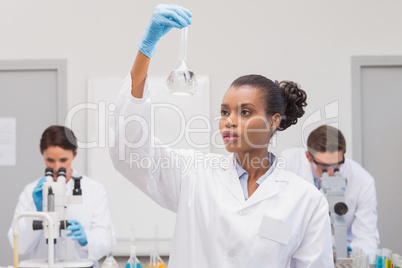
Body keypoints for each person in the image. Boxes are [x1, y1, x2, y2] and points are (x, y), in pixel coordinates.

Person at [109, 4, 334, 267]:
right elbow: (130, 152)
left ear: (274, 121)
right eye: (225, 111)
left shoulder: (305, 200)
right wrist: (146, 50)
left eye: (245, 112)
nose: (229, 122)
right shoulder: (193, 174)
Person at [8, 125, 115, 268]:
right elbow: (19, 246)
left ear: (74, 154)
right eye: (50, 161)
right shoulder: (31, 192)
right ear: (43, 155)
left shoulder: (94, 190)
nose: (57, 168)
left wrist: (86, 239)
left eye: (63, 160)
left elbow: (107, 241)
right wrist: (38, 212)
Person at [281, 125, 379, 262]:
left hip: (341, 254)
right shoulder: (289, 163)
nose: (331, 172)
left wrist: (350, 260)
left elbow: (366, 238)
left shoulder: (362, 180)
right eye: (324, 168)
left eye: (337, 165)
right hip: (294, 253)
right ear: (308, 156)